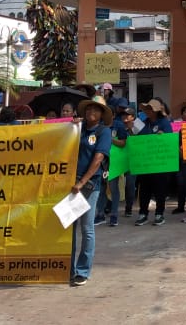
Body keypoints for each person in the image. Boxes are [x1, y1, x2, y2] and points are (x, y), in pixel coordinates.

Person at [70, 95, 112, 286]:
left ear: (102, 114)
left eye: (95, 109)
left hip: (89, 186)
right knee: (69, 229)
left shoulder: (104, 132)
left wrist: (82, 181)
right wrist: (71, 127)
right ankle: (68, 267)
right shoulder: (78, 129)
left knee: (86, 228)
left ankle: (82, 270)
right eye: (88, 109)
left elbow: (98, 159)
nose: (90, 112)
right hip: (70, 183)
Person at [134, 98, 174, 226]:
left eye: (150, 109)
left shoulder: (164, 123)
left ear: (156, 111)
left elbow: (170, 141)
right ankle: (143, 214)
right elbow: (137, 139)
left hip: (160, 163)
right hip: (145, 163)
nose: (147, 111)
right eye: (146, 109)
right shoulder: (142, 123)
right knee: (144, 189)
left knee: (160, 190)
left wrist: (163, 136)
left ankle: (159, 214)